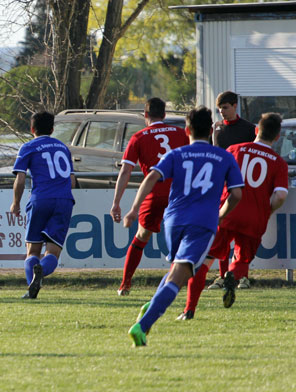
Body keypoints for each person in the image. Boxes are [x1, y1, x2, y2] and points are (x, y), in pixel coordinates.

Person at [125, 106, 244, 346]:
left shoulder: (176, 154)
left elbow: (151, 177)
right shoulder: (224, 157)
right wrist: (221, 214)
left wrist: (134, 208)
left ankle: (152, 305)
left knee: (177, 269)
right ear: (211, 130)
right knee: (181, 275)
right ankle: (143, 325)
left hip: (173, 220)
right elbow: (237, 194)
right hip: (202, 222)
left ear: (187, 130)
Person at [179, 112, 288, 319]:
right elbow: (281, 195)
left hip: (226, 212)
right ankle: (232, 275)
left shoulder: (234, 150)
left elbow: (215, 180)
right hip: (254, 217)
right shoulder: (278, 162)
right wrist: (268, 209)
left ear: (256, 130)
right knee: (241, 259)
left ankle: (189, 309)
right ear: (277, 137)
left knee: (205, 260)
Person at [110, 97, 188, 296]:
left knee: (141, 237)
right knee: (184, 241)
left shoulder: (139, 137)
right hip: (179, 195)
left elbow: (125, 171)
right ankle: (179, 284)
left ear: (145, 115)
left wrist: (116, 202)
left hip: (154, 194)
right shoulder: (182, 134)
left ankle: (125, 284)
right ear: (164, 115)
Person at [10, 111, 75, 299]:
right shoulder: (63, 147)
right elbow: (71, 180)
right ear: (53, 129)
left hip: (41, 199)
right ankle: (42, 271)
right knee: (53, 253)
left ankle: (31, 291)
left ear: (32, 129)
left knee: (33, 251)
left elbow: (20, 179)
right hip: (64, 200)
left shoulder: (28, 147)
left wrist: (15, 203)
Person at [209, 90, 256, 290]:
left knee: (241, 233)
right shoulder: (216, 128)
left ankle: (242, 276)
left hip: (242, 188)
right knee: (222, 232)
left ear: (235, 106)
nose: (222, 112)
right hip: (221, 188)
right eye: (219, 109)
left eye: (225, 108)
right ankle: (222, 276)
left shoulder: (249, 129)